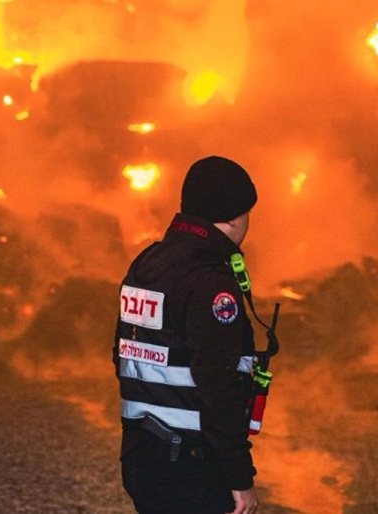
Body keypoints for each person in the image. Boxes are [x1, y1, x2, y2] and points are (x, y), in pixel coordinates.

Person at [114, 155, 260, 514]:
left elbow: (122, 355)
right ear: (233, 216)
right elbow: (218, 387)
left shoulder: (147, 263)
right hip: (191, 468)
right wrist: (239, 476)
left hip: (140, 456)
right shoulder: (210, 282)